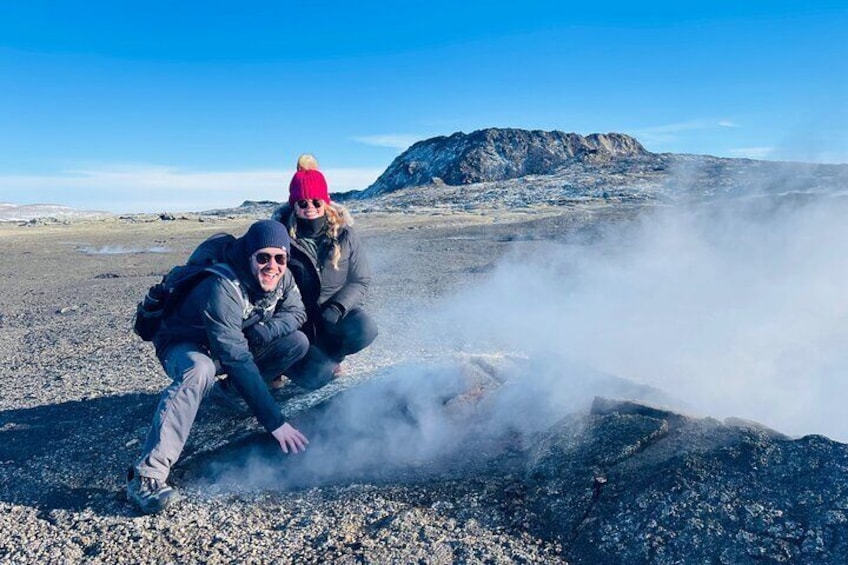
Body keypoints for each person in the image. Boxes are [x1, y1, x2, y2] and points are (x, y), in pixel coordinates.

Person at [127, 220, 310, 514]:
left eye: (279, 258)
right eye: (263, 257)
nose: (272, 265)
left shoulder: (284, 277)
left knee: (296, 343)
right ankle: (148, 476)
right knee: (199, 371)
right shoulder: (222, 287)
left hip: (229, 342)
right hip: (184, 343)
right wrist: (275, 423)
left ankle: (229, 393)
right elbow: (236, 357)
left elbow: (296, 312)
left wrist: (267, 331)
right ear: (249, 255)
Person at [271, 154, 378, 389]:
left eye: (316, 202)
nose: (310, 207)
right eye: (302, 203)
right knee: (315, 378)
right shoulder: (280, 236)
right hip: (295, 318)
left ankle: (331, 359)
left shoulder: (346, 235)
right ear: (294, 205)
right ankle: (275, 367)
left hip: (331, 314)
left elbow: (360, 279)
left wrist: (338, 306)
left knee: (365, 328)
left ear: (325, 202)